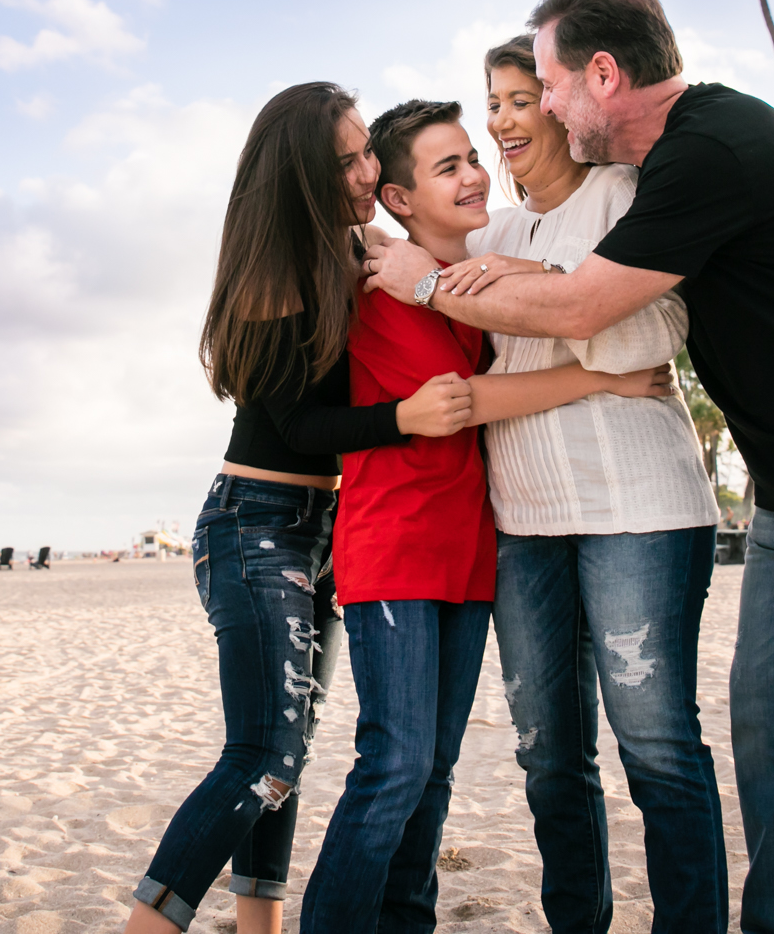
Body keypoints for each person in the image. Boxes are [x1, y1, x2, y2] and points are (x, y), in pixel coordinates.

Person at [365, 0, 774, 934]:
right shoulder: (663, 170)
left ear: (603, 76)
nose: (526, 109)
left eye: (544, 83)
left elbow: (590, 309)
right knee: (770, 730)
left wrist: (428, 283)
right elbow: (572, 282)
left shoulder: (714, 146)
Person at [300, 100, 672, 934]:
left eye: (474, 158)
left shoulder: (467, 284)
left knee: (433, 772)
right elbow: (460, 403)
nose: (474, 175)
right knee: (393, 764)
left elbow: (565, 277)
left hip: (470, 551)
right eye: (448, 167)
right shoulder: (367, 282)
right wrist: (605, 379)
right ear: (398, 198)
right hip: (392, 547)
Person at [126, 83, 474, 934]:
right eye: (346, 161)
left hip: (321, 532)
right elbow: (300, 421)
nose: (366, 171)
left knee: (290, 758)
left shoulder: (354, 249)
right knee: (262, 758)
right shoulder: (277, 269)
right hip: (255, 526)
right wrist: (405, 418)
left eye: (366, 153)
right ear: (301, 176)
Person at [450, 35, 728, 933]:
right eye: (493, 102)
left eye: (522, 98)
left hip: (638, 510)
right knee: (547, 755)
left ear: (566, 105)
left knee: (655, 748)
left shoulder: (623, 197)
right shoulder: (486, 235)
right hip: (523, 520)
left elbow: (656, 332)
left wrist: (541, 285)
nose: (503, 120)